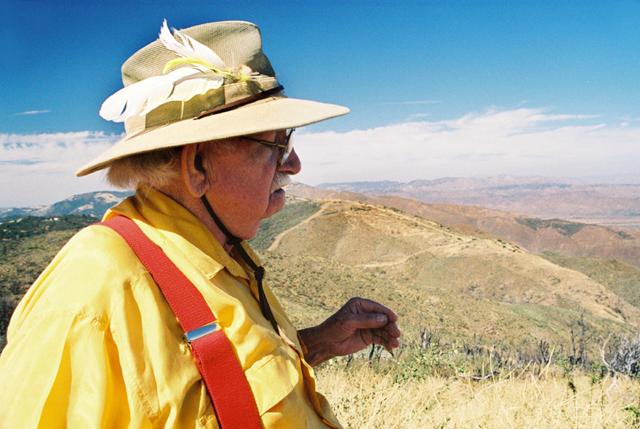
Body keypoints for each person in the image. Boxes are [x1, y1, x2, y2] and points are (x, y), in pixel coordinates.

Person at [0, 19, 400, 428]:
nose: (294, 164)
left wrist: (314, 345)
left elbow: (214, 387)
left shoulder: (222, 251)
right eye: (278, 145)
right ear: (196, 167)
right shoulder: (92, 295)